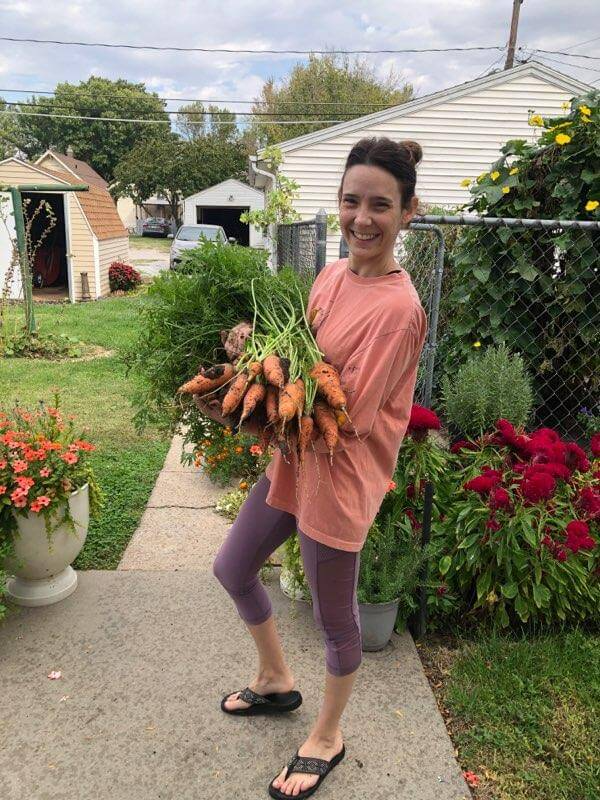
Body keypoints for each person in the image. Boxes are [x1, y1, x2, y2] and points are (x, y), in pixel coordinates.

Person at [198, 137, 428, 799]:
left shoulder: (398, 311)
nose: (362, 217)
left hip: (339, 472)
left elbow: (344, 414)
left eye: (380, 205)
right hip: (294, 458)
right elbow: (303, 350)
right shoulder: (332, 274)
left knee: (335, 622)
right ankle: (276, 681)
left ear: (408, 212)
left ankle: (327, 735)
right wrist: (253, 349)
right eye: (351, 200)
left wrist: (243, 409)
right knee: (233, 567)